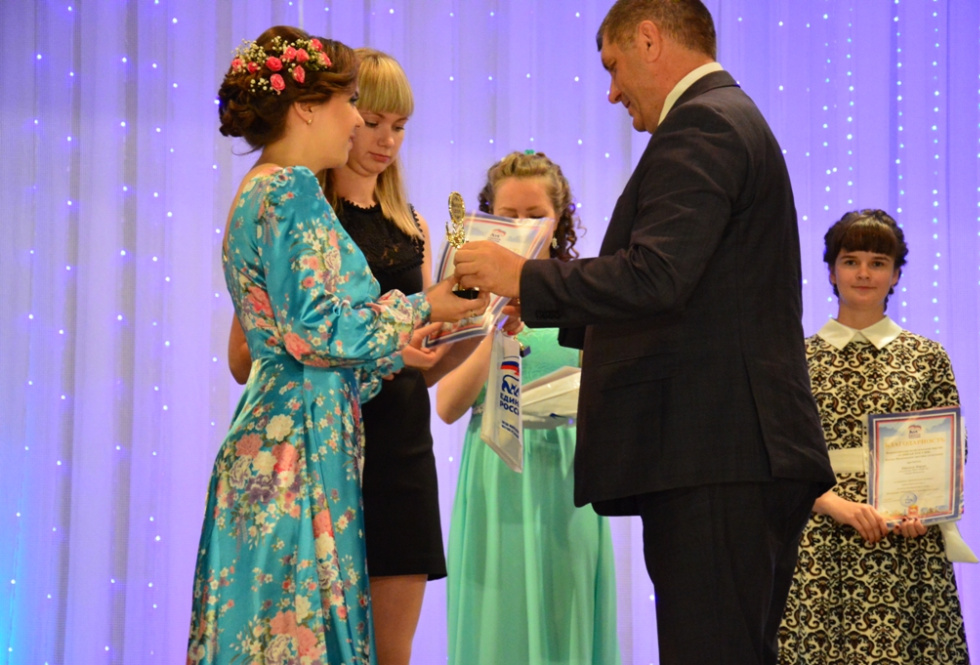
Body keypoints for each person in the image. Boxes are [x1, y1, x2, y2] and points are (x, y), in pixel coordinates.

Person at [451, 2, 837, 662]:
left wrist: (525, 277)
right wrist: (543, 304)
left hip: (715, 451)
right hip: (727, 453)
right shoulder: (725, 117)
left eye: (613, 65)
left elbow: (657, 275)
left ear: (650, 40)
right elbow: (692, 289)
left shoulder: (703, 125)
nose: (611, 91)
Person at [187, 27, 486, 664]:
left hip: (293, 428)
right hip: (298, 439)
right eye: (351, 104)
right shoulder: (290, 190)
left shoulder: (260, 187)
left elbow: (309, 338)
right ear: (306, 108)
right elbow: (313, 332)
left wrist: (404, 344)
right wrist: (422, 306)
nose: (356, 122)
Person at [437, 151, 620, 665]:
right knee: (501, 619)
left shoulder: (582, 293)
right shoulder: (466, 295)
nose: (522, 227)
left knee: (566, 608)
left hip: (566, 470)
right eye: (509, 215)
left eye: (535, 215)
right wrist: (493, 331)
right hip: (496, 473)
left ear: (558, 220)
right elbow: (448, 405)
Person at [778, 210, 970, 664]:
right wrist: (831, 504)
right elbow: (778, 453)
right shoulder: (793, 357)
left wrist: (925, 509)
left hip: (906, 544)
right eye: (851, 261)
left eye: (878, 262)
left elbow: (952, 451)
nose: (863, 273)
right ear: (831, 271)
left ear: (896, 274)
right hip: (817, 540)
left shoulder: (927, 356)